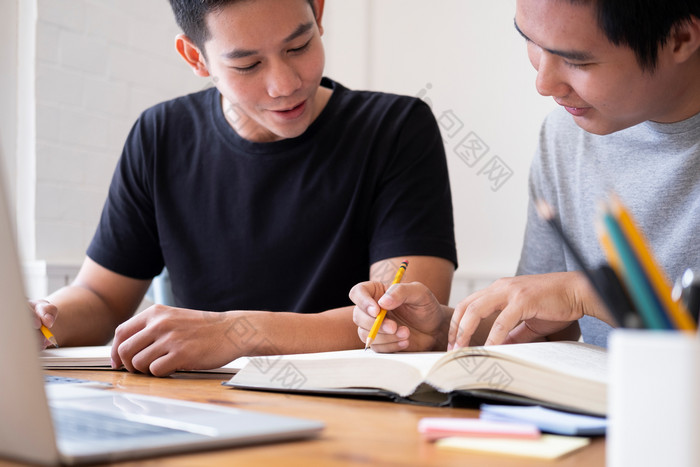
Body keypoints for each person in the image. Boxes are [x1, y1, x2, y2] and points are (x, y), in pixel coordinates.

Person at [32, 0, 457, 376]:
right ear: (196, 58)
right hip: (202, 405)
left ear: (319, 12)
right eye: (247, 65)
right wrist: (37, 321)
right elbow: (100, 298)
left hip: (354, 413)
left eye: (299, 46)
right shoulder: (160, 135)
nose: (285, 84)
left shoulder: (395, 128)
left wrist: (235, 333)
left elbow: (411, 320)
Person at [351, 0, 700, 351]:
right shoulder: (567, 134)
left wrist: (588, 293)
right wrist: (442, 330)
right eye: (530, 40)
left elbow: (571, 297)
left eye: (577, 61)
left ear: (681, 38)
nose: (543, 84)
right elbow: (541, 323)